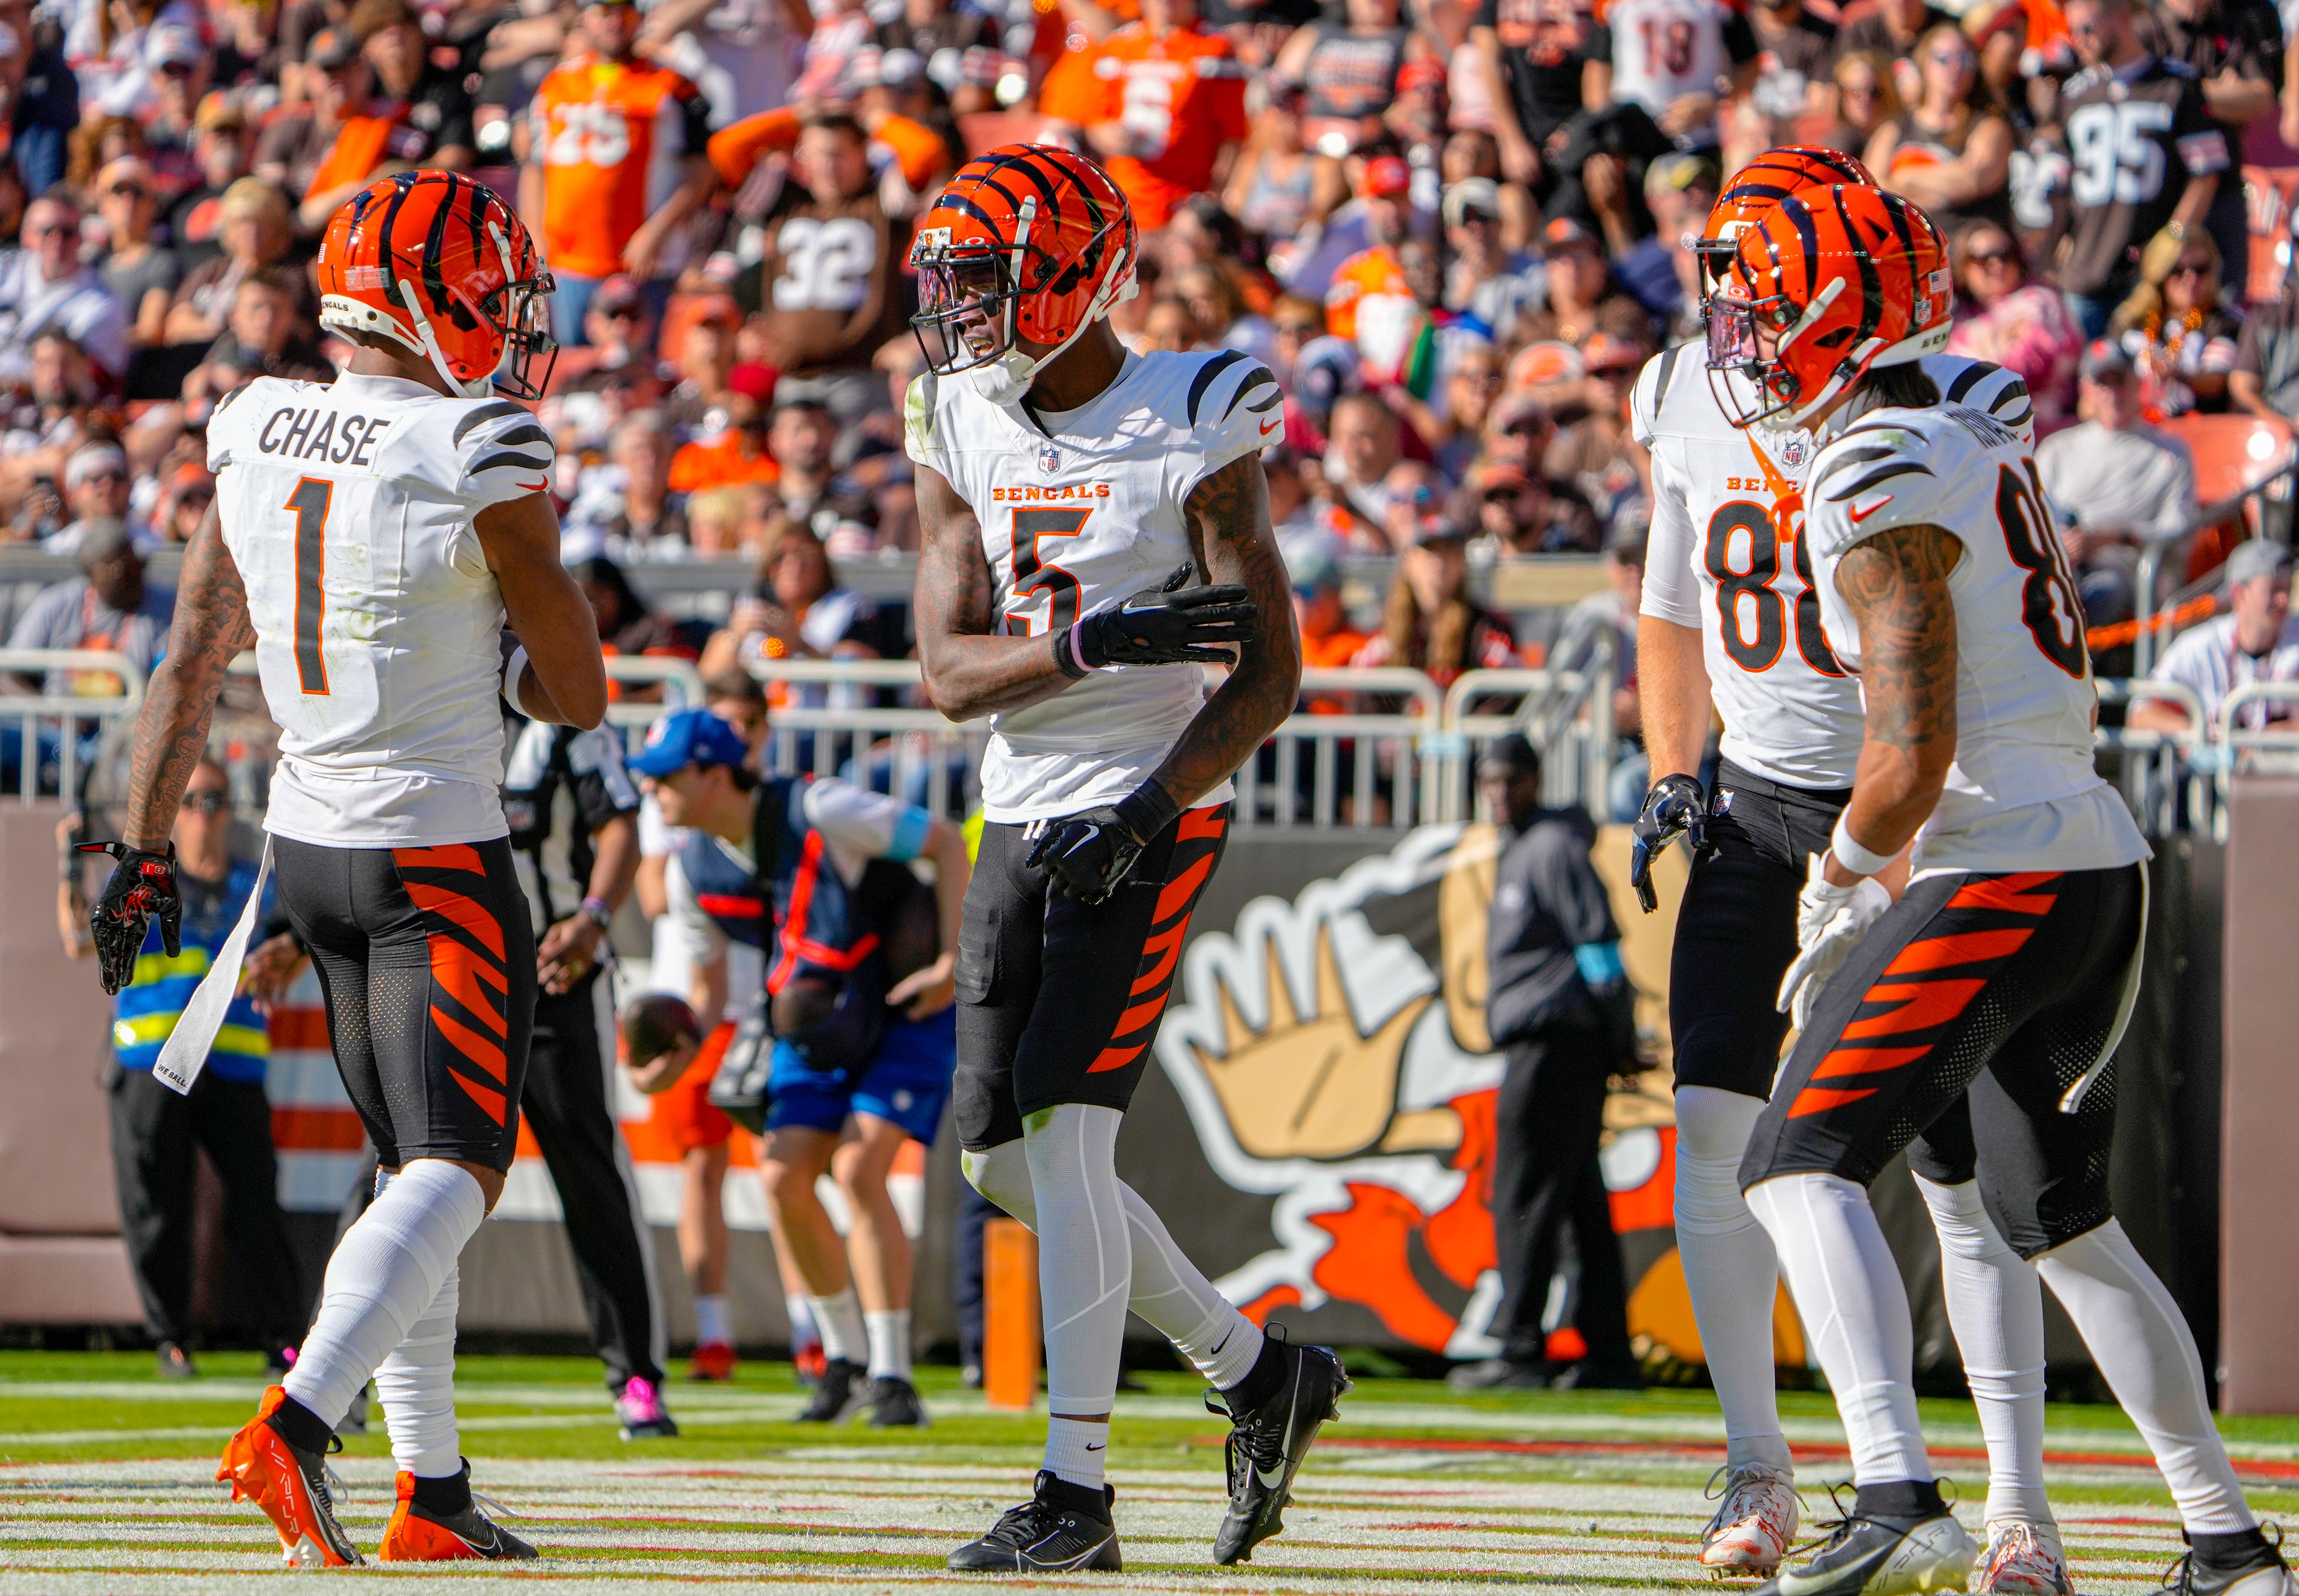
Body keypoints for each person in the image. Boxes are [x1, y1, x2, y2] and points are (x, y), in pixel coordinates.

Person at [1714, 175, 2298, 1596]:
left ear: (1832, 312)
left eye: (1760, 305)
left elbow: (1910, 752)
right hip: (2086, 851)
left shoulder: (1875, 466)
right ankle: (2222, 1537)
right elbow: (1977, 401)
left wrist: (1840, 873)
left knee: (1791, 1166)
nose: (1735, 332)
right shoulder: (1955, 418)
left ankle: (1894, 1485)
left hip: (2000, 859)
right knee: (2055, 1215)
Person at [79, 172, 603, 1568]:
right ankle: (300, 1421)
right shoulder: (476, 442)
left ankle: (429, 1482)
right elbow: (577, 687)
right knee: (459, 1161)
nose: (503, 318)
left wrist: (133, 843)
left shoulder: (250, 416)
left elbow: (192, 648)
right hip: (432, 849)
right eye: (489, 290)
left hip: (302, 846)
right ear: (434, 296)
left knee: (404, 1163)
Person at [1629, 149, 2065, 1589]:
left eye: (1757, 296)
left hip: (1913, 810)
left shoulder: (1941, 405)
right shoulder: (1682, 388)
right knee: (1711, 1133)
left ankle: (2013, 1507)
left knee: (1955, 1175)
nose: (1730, 329)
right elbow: (1668, 600)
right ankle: (1758, 1461)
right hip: (1759, 807)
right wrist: (1669, 765)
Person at [906, 145, 1335, 1574]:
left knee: (1065, 1133)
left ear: (1086, 277)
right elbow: (946, 673)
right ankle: (1256, 1366)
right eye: (955, 285)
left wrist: (1150, 809)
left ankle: (1074, 1489)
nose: (966, 314)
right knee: (996, 1160)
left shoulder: (1190, 412)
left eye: (992, 283)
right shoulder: (960, 413)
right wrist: (1081, 642)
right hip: (1017, 801)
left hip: (1152, 803)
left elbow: (1267, 677)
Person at [631, 706, 971, 1427]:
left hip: (901, 1005)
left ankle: (893, 1373)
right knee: (783, 1178)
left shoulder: (820, 805)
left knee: (858, 1170)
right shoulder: (690, 868)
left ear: (714, 773)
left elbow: (943, 842)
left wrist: (948, 961)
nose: (654, 792)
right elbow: (708, 992)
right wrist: (666, 1064)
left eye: (666, 778)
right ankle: (842, 1359)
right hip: (810, 1020)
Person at [63, 754, 304, 1380]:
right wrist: (68, 869)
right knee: (157, 1205)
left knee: (255, 1205)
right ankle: (171, 1339)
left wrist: (286, 960)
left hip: (233, 1064)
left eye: (214, 801)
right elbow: (77, 938)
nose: (203, 816)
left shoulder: (261, 886)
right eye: (190, 802)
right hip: (150, 1062)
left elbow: (297, 947)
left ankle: (282, 1339)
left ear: (230, 812)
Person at [499, 696, 677, 1440]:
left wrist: (595, 916)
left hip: (552, 971)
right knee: (399, 1168)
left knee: (587, 1171)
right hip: (454, 972)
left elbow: (618, 822)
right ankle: (344, 1367)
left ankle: (635, 1372)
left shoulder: (558, 716)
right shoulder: (428, 700)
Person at [1449, 733, 1637, 1391]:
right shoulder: (1528, 847)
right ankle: (1609, 1355)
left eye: (1512, 781)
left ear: (1534, 780)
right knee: (1580, 1197)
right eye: (1491, 781)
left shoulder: (1550, 847)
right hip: (1564, 1042)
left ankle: (1521, 1348)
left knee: (1521, 1191)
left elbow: (1598, 947)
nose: (1500, 793)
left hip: (1556, 1042)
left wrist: (1619, 1032)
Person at [522, 0, 715, 344]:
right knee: (577, 371)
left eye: (624, 11)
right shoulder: (556, 83)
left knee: (640, 375)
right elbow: (535, 168)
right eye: (604, 12)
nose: (614, 22)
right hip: (569, 262)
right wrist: (535, 237)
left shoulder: (672, 85)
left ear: (639, 17)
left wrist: (656, 230)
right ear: (586, 17)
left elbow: (702, 168)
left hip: (641, 262)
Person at [719, 109, 912, 424]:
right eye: (816, 154)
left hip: (860, 375)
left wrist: (875, 120)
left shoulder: (880, 202)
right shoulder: (785, 202)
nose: (827, 166)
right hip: (792, 377)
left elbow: (925, 154)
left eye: (838, 154)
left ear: (863, 153)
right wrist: (797, 117)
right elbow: (726, 150)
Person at [2056, 0, 2226, 338]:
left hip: (2149, 276)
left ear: (2121, 17)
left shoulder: (2176, 85)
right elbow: (2065, 184)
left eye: (2087, 28)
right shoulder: (2075, 94)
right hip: (2087, 269)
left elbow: (2206, 174)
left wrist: (2172, 242)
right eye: (2072, 31)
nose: (2080, 40)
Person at [2035, 340, 2197, 623]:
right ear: (2086, 390)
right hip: (2058, 563)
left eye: (2119, 380)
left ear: (2137, 383)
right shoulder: (2057, 450)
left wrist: (2118, 535)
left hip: (2126, 568)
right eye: (2102, 383)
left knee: (2101, 592)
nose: (2113, 393)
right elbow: (2028, 515)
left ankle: (2080, 667)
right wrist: (2059, 539)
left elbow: (2180, 530)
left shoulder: (2170, 453)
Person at [1061, 0, 1251, 233]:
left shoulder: (1216, 47)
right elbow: (1095, 122)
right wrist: (1106, 135)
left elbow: (1233, 137)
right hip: (1123, 199)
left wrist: (1213, 198)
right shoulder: (1118, 45)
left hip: (1183, 206)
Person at [2129, 539, 2299, 736]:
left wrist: (2259, 741)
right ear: (2239, 593)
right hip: (2213, 766)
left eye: (2288, 589)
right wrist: (2200, 735)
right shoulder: (2201, 645)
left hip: (2283, 767)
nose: (2284, 600)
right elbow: (2140, 713)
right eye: (2274, 589)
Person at [1865, 23, 2013, 238]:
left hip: (1965, 248)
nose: (1955, 68)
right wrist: (1941, 189)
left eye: (1964, 59)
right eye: (1944, 59)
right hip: (1905, 245)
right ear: (1924, 64)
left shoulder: (1989, 127)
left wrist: (1904, 177)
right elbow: (1872, 192)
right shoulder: (1893, 129)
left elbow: (1971, 179)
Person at [1944, 220, 2084, 432]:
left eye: (2004, 255)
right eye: (1983, 259)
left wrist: (1987, 365)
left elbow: (2029, 373)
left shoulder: (2038, 301)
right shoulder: (1959, 320)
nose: (1997, 265)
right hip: (1975, 432)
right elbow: (1947, 382)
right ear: (1964, 267)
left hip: (2040, 427)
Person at [0, 188, 131, 385]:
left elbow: (67, 383)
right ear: (26, 235)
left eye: (67, 232)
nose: (57, 241)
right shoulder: (5, 270)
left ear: (82, 238)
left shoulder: (101, 305)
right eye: (47, 231)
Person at [2111, 226, 2243, 417]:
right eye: (2178, 271)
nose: (2191, 279)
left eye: (2201, 270)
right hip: (2140, 428)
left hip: (2200, 430)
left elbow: (2217, 382)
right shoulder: (2133, 322)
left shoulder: (2223, 322)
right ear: (2159, 274)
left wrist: (2178, 375)